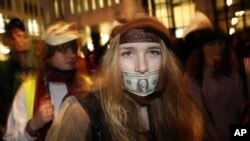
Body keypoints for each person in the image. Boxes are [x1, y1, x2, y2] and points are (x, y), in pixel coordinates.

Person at [45, 17, 219, 141]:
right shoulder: (83, 114)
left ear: (167, 63)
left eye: (153, 52)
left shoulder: (186, 110)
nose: (141, 67)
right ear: (115, 61)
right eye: (128, 53)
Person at [3, 21, 92, 141]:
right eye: (63, 49)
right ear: (48, 55)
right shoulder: (28, 89)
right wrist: (33, 126)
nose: (71, 55)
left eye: (73, 48)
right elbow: (10, 138)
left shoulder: (85, 85)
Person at [184, 11, 245, 141]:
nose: (218, 48)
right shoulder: (194, 78)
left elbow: (240, 112)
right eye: (211, 44)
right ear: (201, 49)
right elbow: (202, 118)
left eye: (221, 42)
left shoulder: (234, 72)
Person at [0, 18, 35, 138]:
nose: (17, 40)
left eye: (19, 35)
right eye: (12, 37)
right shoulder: (5, 69)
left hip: (35, 124)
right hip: (14, 129)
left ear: (26, 37)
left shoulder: (37, 65)